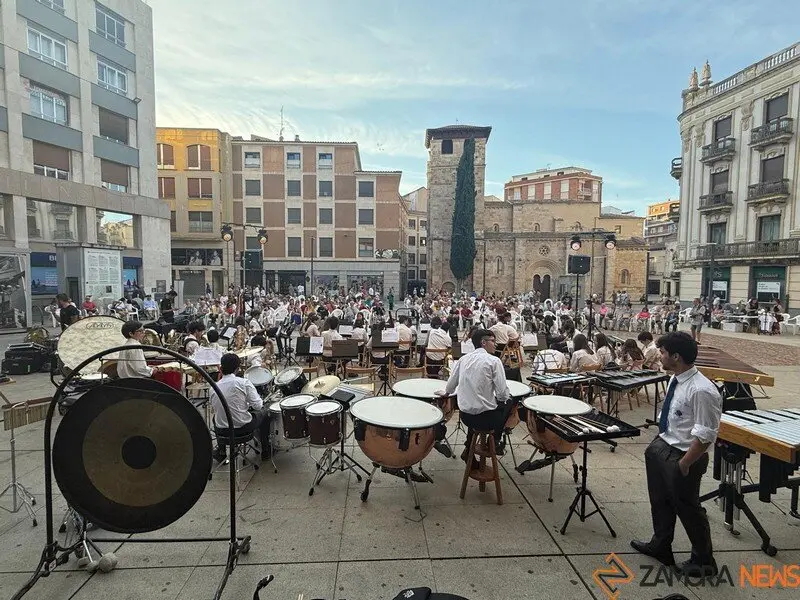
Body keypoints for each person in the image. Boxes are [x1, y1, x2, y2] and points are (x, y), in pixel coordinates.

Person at [630, 331, 722, 577]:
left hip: (684, 455)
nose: (659, 355)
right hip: (664, 446)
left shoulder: (703, 390)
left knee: (688, 508)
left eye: (662, 352)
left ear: (676, 356)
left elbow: (706, 435)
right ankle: (661, 545)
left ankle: (703, 561)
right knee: (659, 501)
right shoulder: (676, 377)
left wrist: (685, 464)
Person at [437, 329, 512, 460]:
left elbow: (449, 386)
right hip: (487, 419)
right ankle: (494, 439)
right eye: (493, 341)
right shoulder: (494, 361)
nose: (496, 344)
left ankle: (468, 446)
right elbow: (501, 394)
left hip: (466, 417)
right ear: (483, 342)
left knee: (478, 402)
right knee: (509, 401)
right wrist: (501, 397)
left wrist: (446, 393)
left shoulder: (463, 359)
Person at [210, 353, 271, 463]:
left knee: (217, 417)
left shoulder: (213, 387)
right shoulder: (243, 383)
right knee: (265, 413)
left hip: (222, 432)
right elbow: (258, 405)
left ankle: (221, 452)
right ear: (237, 369)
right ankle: (266, 450)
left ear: (221, 368)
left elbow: (216, 407)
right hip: (241, 429)